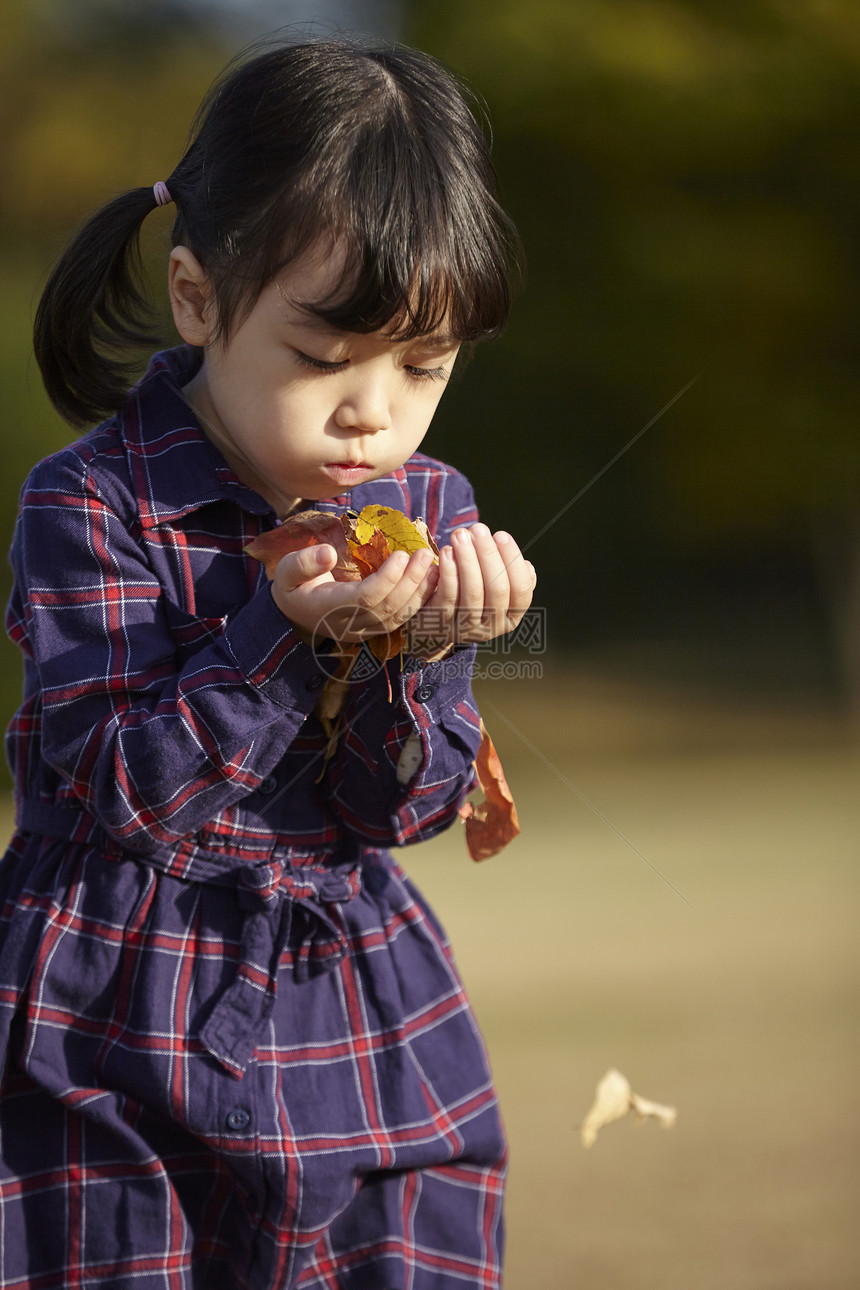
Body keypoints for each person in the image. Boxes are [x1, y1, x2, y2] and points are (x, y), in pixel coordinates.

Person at [0, 35, 535, 1290]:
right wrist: (282, 642)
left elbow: (392, 808)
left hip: (349, 996)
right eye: (321, 359)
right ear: (197, 297)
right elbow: (129, 793)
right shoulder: (90, 502)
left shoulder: (425, 499)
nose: (374, 417)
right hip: (113, 999)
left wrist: (425, 658)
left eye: (425, 366)